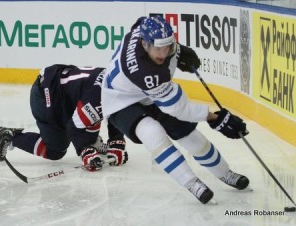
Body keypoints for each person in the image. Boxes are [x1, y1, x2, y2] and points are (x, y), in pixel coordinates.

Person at [101, 16, 250, 204]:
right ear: (144, 44)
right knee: (151, 132)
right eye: (158, 48)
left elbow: (142, 22)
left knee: (189, 135)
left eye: (168, 46)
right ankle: (192, 183)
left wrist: (178, 50)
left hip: (145, 92)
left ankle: (225, 173)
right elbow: (178, 108)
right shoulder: (146, 73)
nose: (164, 53)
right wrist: (214, 118)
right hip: (119, 101)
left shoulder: (145, 31)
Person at [0, 64, 128, 171]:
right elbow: (74, 127)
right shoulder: (96, 99)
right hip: (46, 96)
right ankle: (11, 136)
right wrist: (85, 151)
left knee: (92, 115)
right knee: (55, 151)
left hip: (63, 92)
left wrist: (116, 142)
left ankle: (91, 140)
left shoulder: (113, 81)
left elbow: (116, 108)